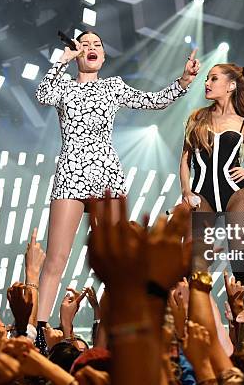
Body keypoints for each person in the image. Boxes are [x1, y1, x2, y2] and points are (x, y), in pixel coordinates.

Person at [34, 30, 200, 327]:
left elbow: (154, 101)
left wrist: (184, 81)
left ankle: (124, 324)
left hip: (106, 175)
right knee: (56, 258)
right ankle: (40, 329)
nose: (91, 47)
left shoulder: (113, 87)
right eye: (84, 45)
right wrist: (62, 61)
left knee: (117, 258)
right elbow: (43, 95)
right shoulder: (65, 88)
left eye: (97, 44)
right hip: (71, 172)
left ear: (104, 54)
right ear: (76, 52)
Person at [180, 63, 244, 284]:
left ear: (231, 85)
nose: (206, 83)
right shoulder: (197, 117)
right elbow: (185, 159)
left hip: (235, 194)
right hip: (201, 194)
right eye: (207, 79)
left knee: (240, 258)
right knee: (196, 259)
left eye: (213, 79)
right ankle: (193, 312)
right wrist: (186, 190)